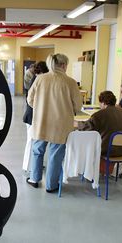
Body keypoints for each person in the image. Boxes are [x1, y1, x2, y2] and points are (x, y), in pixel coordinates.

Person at [26, 54, 82, 193]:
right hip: (61, 124)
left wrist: (41, 107)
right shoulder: (70, 82)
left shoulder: (40, 79)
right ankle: (51, 186)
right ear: (63, 65)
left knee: (37, 151)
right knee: (55, 155)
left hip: (41, 122)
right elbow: (78, 106)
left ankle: (34, 179)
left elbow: (30, 100)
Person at [81, 91, 122, 174]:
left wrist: (77, 123)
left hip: (106, 150)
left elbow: (86, 128)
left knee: (85, 143)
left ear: (103, 102)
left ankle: (88, 171)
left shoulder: (99, 115)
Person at [22, 61, 49, 172]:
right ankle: (27, 166)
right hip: (32, 116)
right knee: (31, 141)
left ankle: (36, 164)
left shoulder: (38, 79)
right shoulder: (37, 80)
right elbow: (31, 100)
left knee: (37, 141)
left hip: (35, 116)